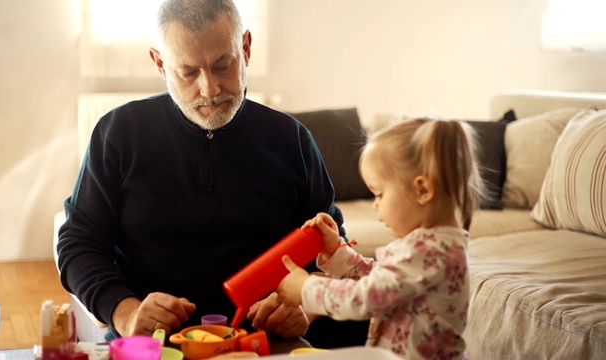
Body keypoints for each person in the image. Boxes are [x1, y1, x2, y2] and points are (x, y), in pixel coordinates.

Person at [57, 0, 367, 348]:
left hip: (263, 344)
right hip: (153, 345)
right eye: (188, 72)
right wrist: (125, 312)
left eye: (223, 65)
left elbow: (328, 243)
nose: (210, 89)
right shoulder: (118, 133)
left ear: (245, 49)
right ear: (160, 64)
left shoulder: (291, 139)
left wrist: (306, 306)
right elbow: (78, 244)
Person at [276, 118, 487, 359]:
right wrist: (337, 253)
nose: (375, 205)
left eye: (379, 194)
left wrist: (306, 288)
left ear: (423, 191)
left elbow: (365, 298)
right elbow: (385, 281)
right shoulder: (432, 245)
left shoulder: (429, 252)